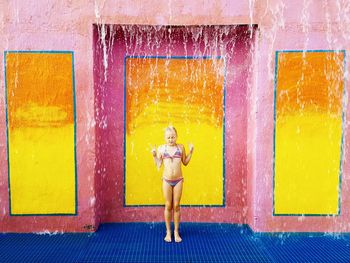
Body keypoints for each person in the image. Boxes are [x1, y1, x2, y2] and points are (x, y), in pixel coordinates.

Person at [151, 126, 194, 242]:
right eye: (168, 137)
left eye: (173, 137)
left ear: (176, 136)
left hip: (178, 180)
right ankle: (168, 232)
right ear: (165, 138)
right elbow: (159, 165)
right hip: (166, 180)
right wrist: (154, 155)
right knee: (168, 205)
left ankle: (176, 231)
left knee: (176, 206)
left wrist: (191, 152)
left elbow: (185, 162)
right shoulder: (161, 148)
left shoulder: (180, 147)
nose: (171, 139)